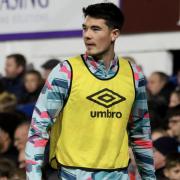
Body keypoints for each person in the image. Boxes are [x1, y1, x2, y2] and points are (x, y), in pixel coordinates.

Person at [25, 2, 156, 179]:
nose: (87, 35)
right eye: (85, 28)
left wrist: (149, 177)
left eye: (95, 29)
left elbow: (141, 132)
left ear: (114, 34)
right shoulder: (66, 72)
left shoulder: (134, 75)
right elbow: (38, 128)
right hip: (72, 173)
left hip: (118, 174)